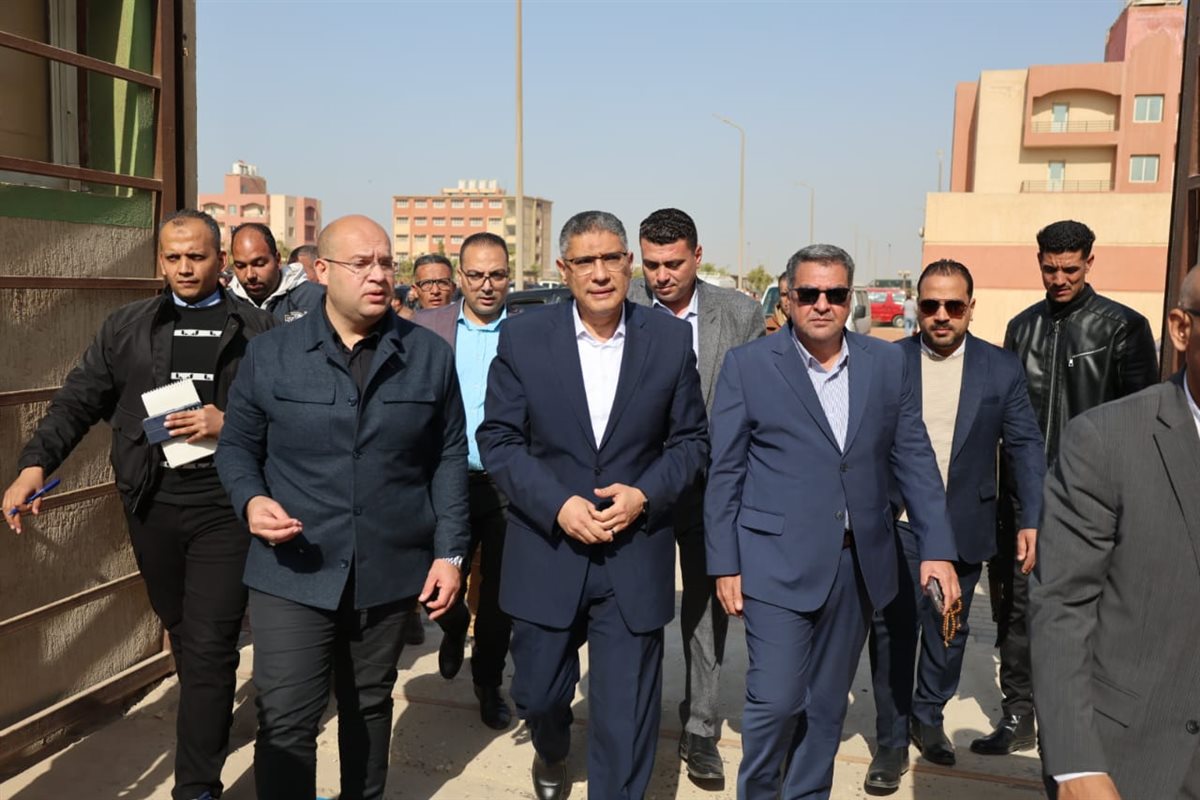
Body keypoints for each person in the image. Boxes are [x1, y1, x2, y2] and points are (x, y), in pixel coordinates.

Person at [2, 209, 275, 800]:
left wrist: (229, 423)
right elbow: (78, 400)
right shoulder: (126, 327)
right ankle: (207, 718)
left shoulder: (259, 331)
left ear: (220, 261)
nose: (185, 268)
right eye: (173, 257)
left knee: (210, 646)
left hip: (226, 506)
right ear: (160, 261)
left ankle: (196, 786)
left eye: (197, 257)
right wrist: (34, 465)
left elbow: (292, 417)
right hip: (151, 503)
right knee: (183, 630)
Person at [214, 214, 469, 800]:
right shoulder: (272, 354)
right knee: (286, 720)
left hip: (388, 569)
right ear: (321, 271)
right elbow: (237, 448)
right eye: (362, 263)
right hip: (292, 568)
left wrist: (450, 553)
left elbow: (449, 457)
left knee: (368, 706)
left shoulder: (428, 356)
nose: (379, 275)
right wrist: (251, 500)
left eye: (386, 263)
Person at [705, 243, 961, 800]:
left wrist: (937, 549)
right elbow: (725, 472)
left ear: (851, 299)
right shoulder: (749, 366)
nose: (822, 304)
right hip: (774, 562)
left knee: (824, 707)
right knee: (775, 702)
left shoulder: (887, 363)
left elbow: (914, 457)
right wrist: (724, 563)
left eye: (835, 293)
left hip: (857, 565)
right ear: (788, 298)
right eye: (809, 293)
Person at [476, 211, 708, 800]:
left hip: (634, 553)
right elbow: (498, 439)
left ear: (629, 264)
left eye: (611, 259)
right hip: (548, 549)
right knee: (538, 693)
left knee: (625, 717)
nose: (600, 273)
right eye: (585, 261)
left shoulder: (668, 340)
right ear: (564, 269)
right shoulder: (524, 337)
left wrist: (644, 496)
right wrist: (557, 505)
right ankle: (552, 749)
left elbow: (691, 442)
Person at [975, 219, 1159, 756]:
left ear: (1089, 263)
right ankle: (1018, 714)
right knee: (1017, 608)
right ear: (1039, 263)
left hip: (1094, 499)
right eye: (1050, 269)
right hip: (1025, 497)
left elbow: (1142, 421)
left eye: (1070, 269)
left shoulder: (1123, 328)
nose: (1059, 279)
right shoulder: (1022, 328)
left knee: (1092, 611)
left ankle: (1086, 720)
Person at [864, 260, 1045, 792]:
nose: (941, 315)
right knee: (892, 631)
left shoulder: (1000, 367)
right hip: (898, 523)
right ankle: (891, 740)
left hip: (964, 523)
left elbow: (1025, 445)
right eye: (930, 305)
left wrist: (1032, 517)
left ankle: (928, 717)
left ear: (971, 307)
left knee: (949, 630)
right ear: (916, 307)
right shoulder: (887, 362)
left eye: (953, 305)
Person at [1030, 267, 1200, 800]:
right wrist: (1075, 763)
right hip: (1136, 761)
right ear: (1181, 328)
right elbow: (1062, 606)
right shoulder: (1105, 441)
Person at [629, 207, 763, 782]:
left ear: (697, 256)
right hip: (641, 490)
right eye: (652, 264)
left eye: (674, 264)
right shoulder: (623, 305)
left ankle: (702, 727)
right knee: (636, 607)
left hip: (715, 490)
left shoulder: (739, 313)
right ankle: (633, 719)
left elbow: (755, 405)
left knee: (707, 612)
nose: (662, 276)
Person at [413, 231, 515, 730]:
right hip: (442, 480)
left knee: (499, 595)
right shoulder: (424, 327)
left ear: (509, 276)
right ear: (460, 277)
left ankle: (488, 680)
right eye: (476, 275)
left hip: (507, 485)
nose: (486, 285)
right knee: (432, 583)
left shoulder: (529, 332)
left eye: (496, 275)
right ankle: (454, 628)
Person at [227, 223, 324, 322]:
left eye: (259, 264)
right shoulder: (225, 303)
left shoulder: (316, 298)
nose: (250, 275)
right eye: (240, 266)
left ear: (277, 260)